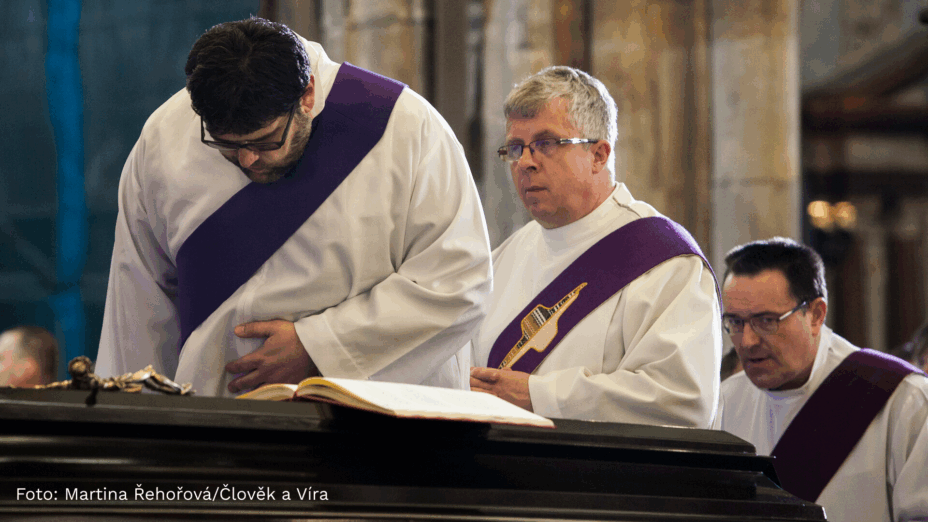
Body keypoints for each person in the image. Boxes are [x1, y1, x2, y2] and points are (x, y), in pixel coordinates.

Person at [95, 17, 492, 397]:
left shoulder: (407, 128)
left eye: (265, 141)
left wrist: (320, 347)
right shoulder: (163, 140)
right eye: (227, 146)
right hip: (215, 423)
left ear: (308, 95)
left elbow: (459, 281)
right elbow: (139, 303)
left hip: (376, 427)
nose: (248, 160)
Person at [469, 66, 722, 426]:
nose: (525, 162)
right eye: (515, 148)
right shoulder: (506, 257)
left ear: (599, 155)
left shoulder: (664, 261)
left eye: (545, 143)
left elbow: (682, 401)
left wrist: (538, 395)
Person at [718, 237, 928, 522]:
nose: (747, 341)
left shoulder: (901, 399)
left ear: (816, 314)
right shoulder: (724, 403)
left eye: (766, 320)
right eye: (735, 322)